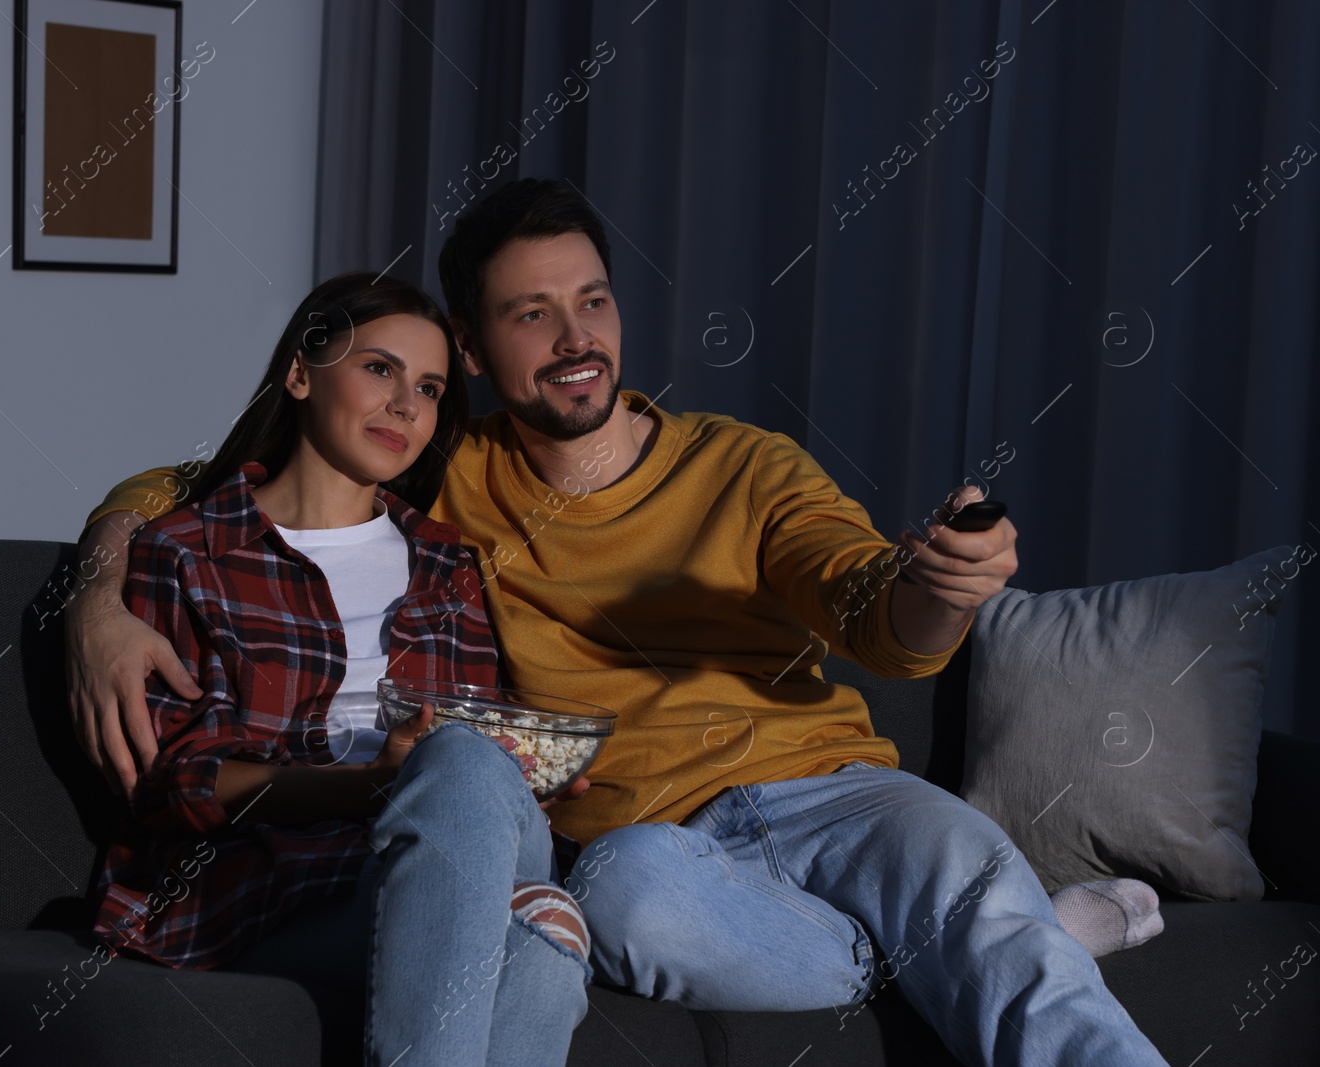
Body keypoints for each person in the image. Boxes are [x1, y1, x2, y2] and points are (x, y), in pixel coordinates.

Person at [69, 180, 1169, 1065]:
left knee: (964, 876)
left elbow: (869, 604)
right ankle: (984, 944)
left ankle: (992, 935)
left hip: (833, 789)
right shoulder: (443, 475)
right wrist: (97, 594)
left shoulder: (740, 461)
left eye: (591, 299)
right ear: (474, 346)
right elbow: (202, 480)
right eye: (529, 313)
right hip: (653, 848)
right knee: (610, 902)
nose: (573, 336)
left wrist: (944, 579)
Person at [89, 271, 593, 1067]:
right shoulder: (190, 551)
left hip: (440, 848)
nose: (406, 404)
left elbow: (470, 749)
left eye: (429, 388)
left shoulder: (449, 563)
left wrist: (519, 774)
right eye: (380, 368)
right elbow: (173, 781)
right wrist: (376, 786)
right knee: (541, 928)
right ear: (299, 372)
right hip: (277, 890)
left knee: (473, 772)